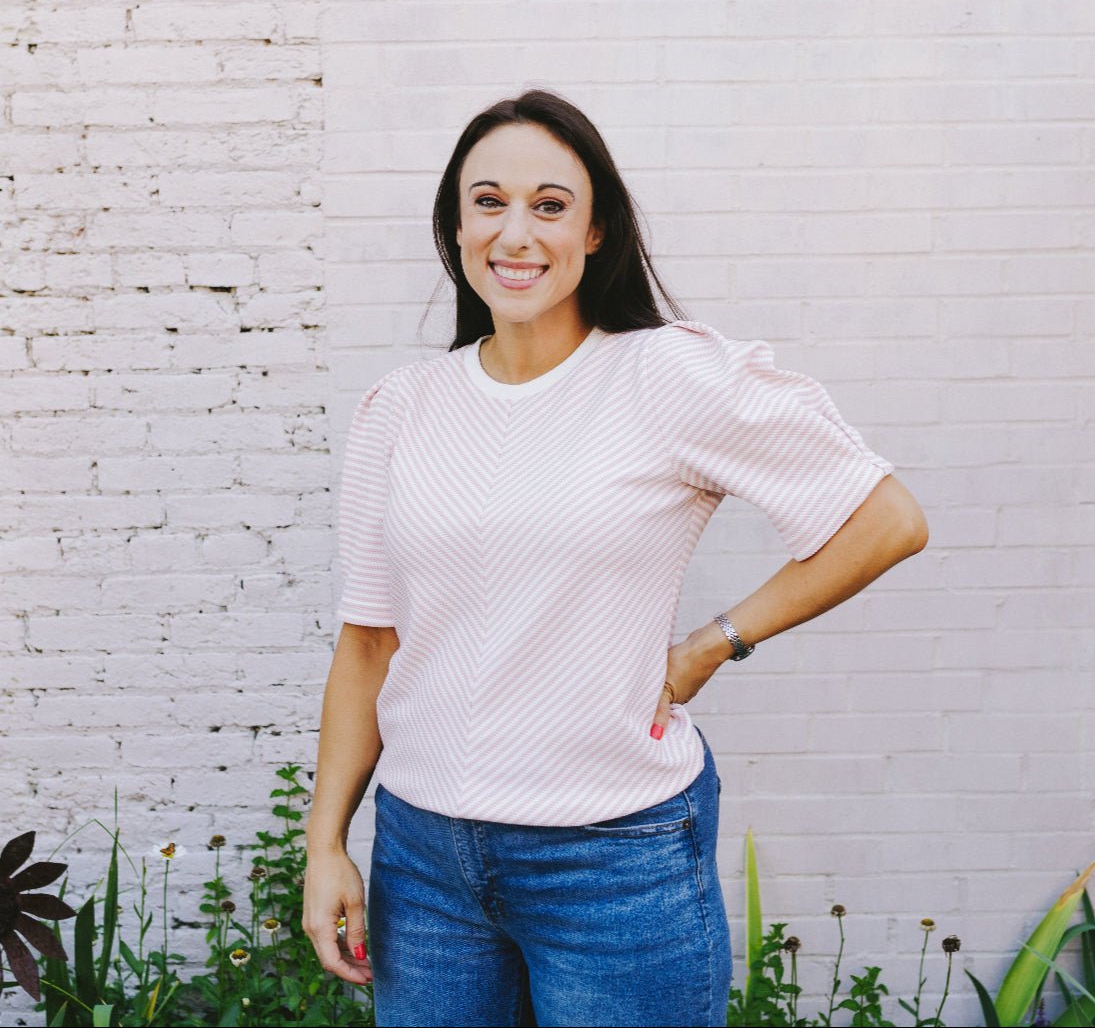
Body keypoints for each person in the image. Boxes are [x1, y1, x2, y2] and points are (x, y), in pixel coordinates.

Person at [301, 88, 928, 1028]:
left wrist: (712, 644)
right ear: (456, 224)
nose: (517, 232)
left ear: (595, 232)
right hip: (424, 862)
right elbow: (367, 646)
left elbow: (885, 518)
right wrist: (326, 842)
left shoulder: (663, 375)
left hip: (612, 857)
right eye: (489, 201)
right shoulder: (402, 406)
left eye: (551, 205)